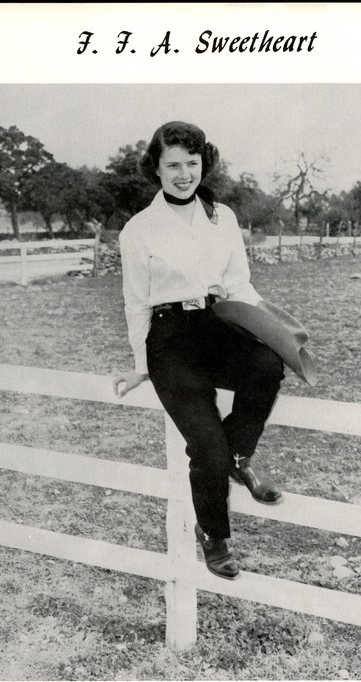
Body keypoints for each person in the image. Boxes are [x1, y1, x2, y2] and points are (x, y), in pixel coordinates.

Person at [112, 121, 308, 581]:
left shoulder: (223, 216)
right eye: (173, 165)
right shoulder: (138, 230)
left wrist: (275, 329)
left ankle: (239, 457)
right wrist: (141, 365)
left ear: (204, 164)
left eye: (192, 163)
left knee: (266, 364)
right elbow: (136, 302)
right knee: (206, 446)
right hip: (169, 339)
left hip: (217, 324)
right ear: (156, 169)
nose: (184, 174)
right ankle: (214, 534)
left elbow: (238, 283)